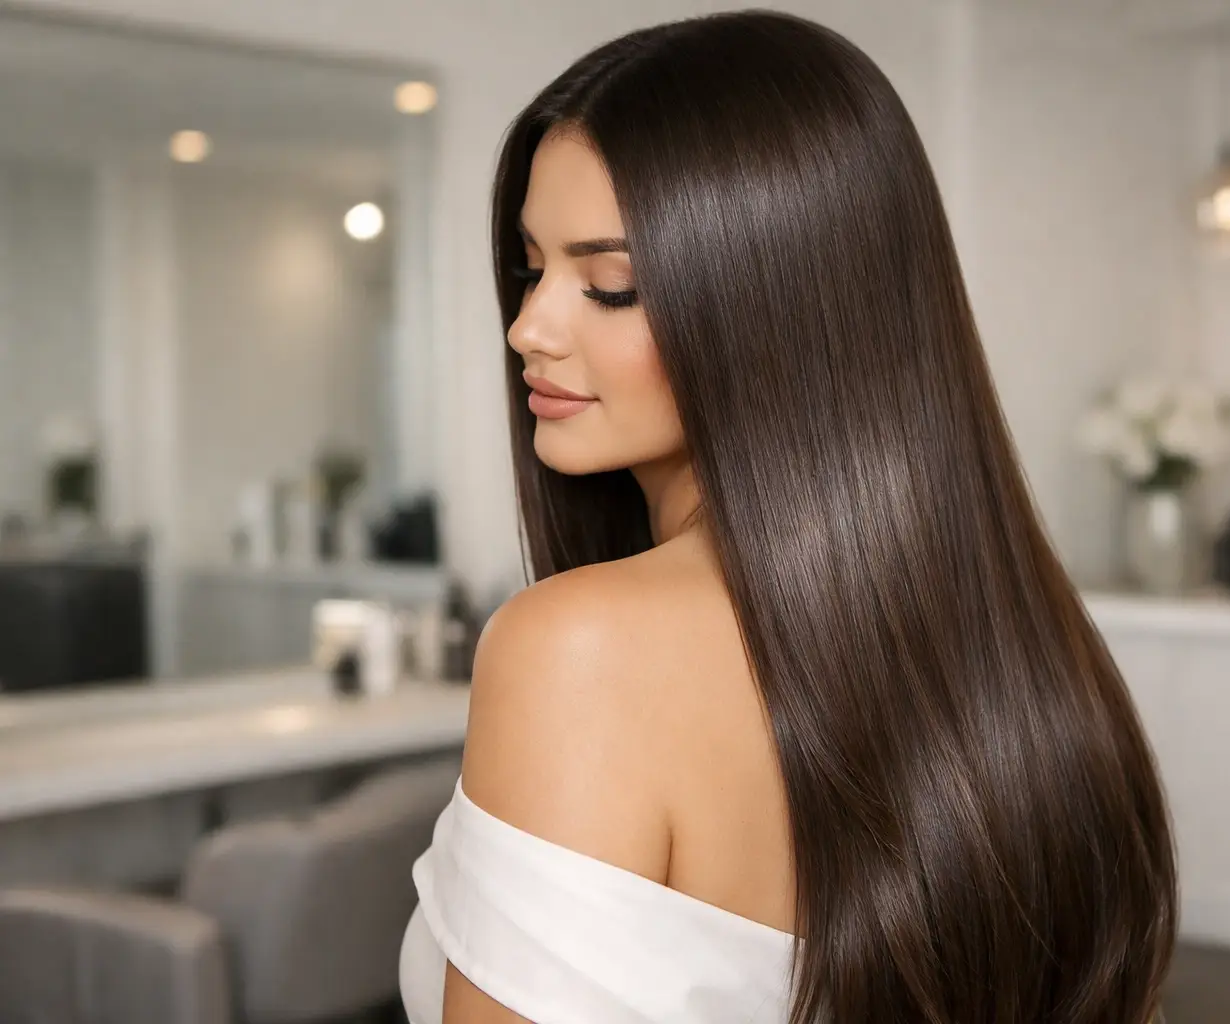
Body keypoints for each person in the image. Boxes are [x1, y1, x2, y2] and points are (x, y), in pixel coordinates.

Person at [399, 10, 1177, 1023]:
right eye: (530, 266)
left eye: (610, 284)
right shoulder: (1030, 655)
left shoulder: (575, 651)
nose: (529, 327)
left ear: (779, 305)